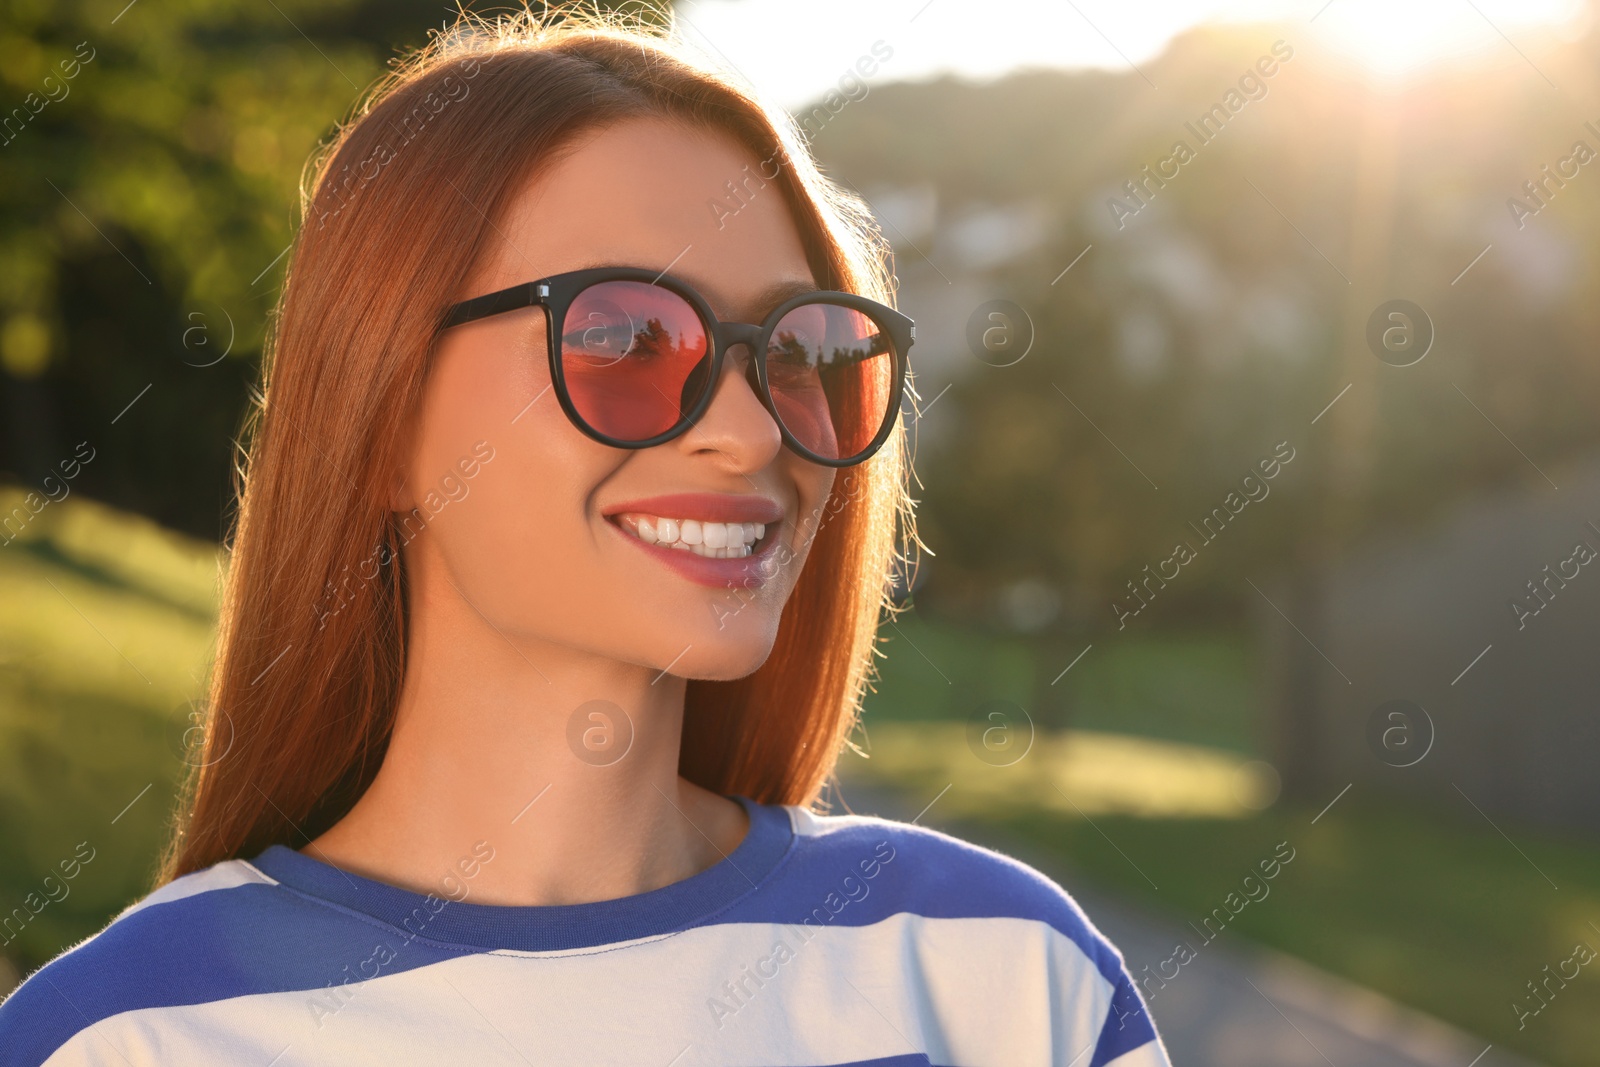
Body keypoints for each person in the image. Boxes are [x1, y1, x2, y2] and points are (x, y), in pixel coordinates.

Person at [0, 10, 1170, 1065]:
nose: (750, 427)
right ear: (383, 412)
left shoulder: (1008, 981)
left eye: (799, 352)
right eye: (623, 339)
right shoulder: (124, 1037)